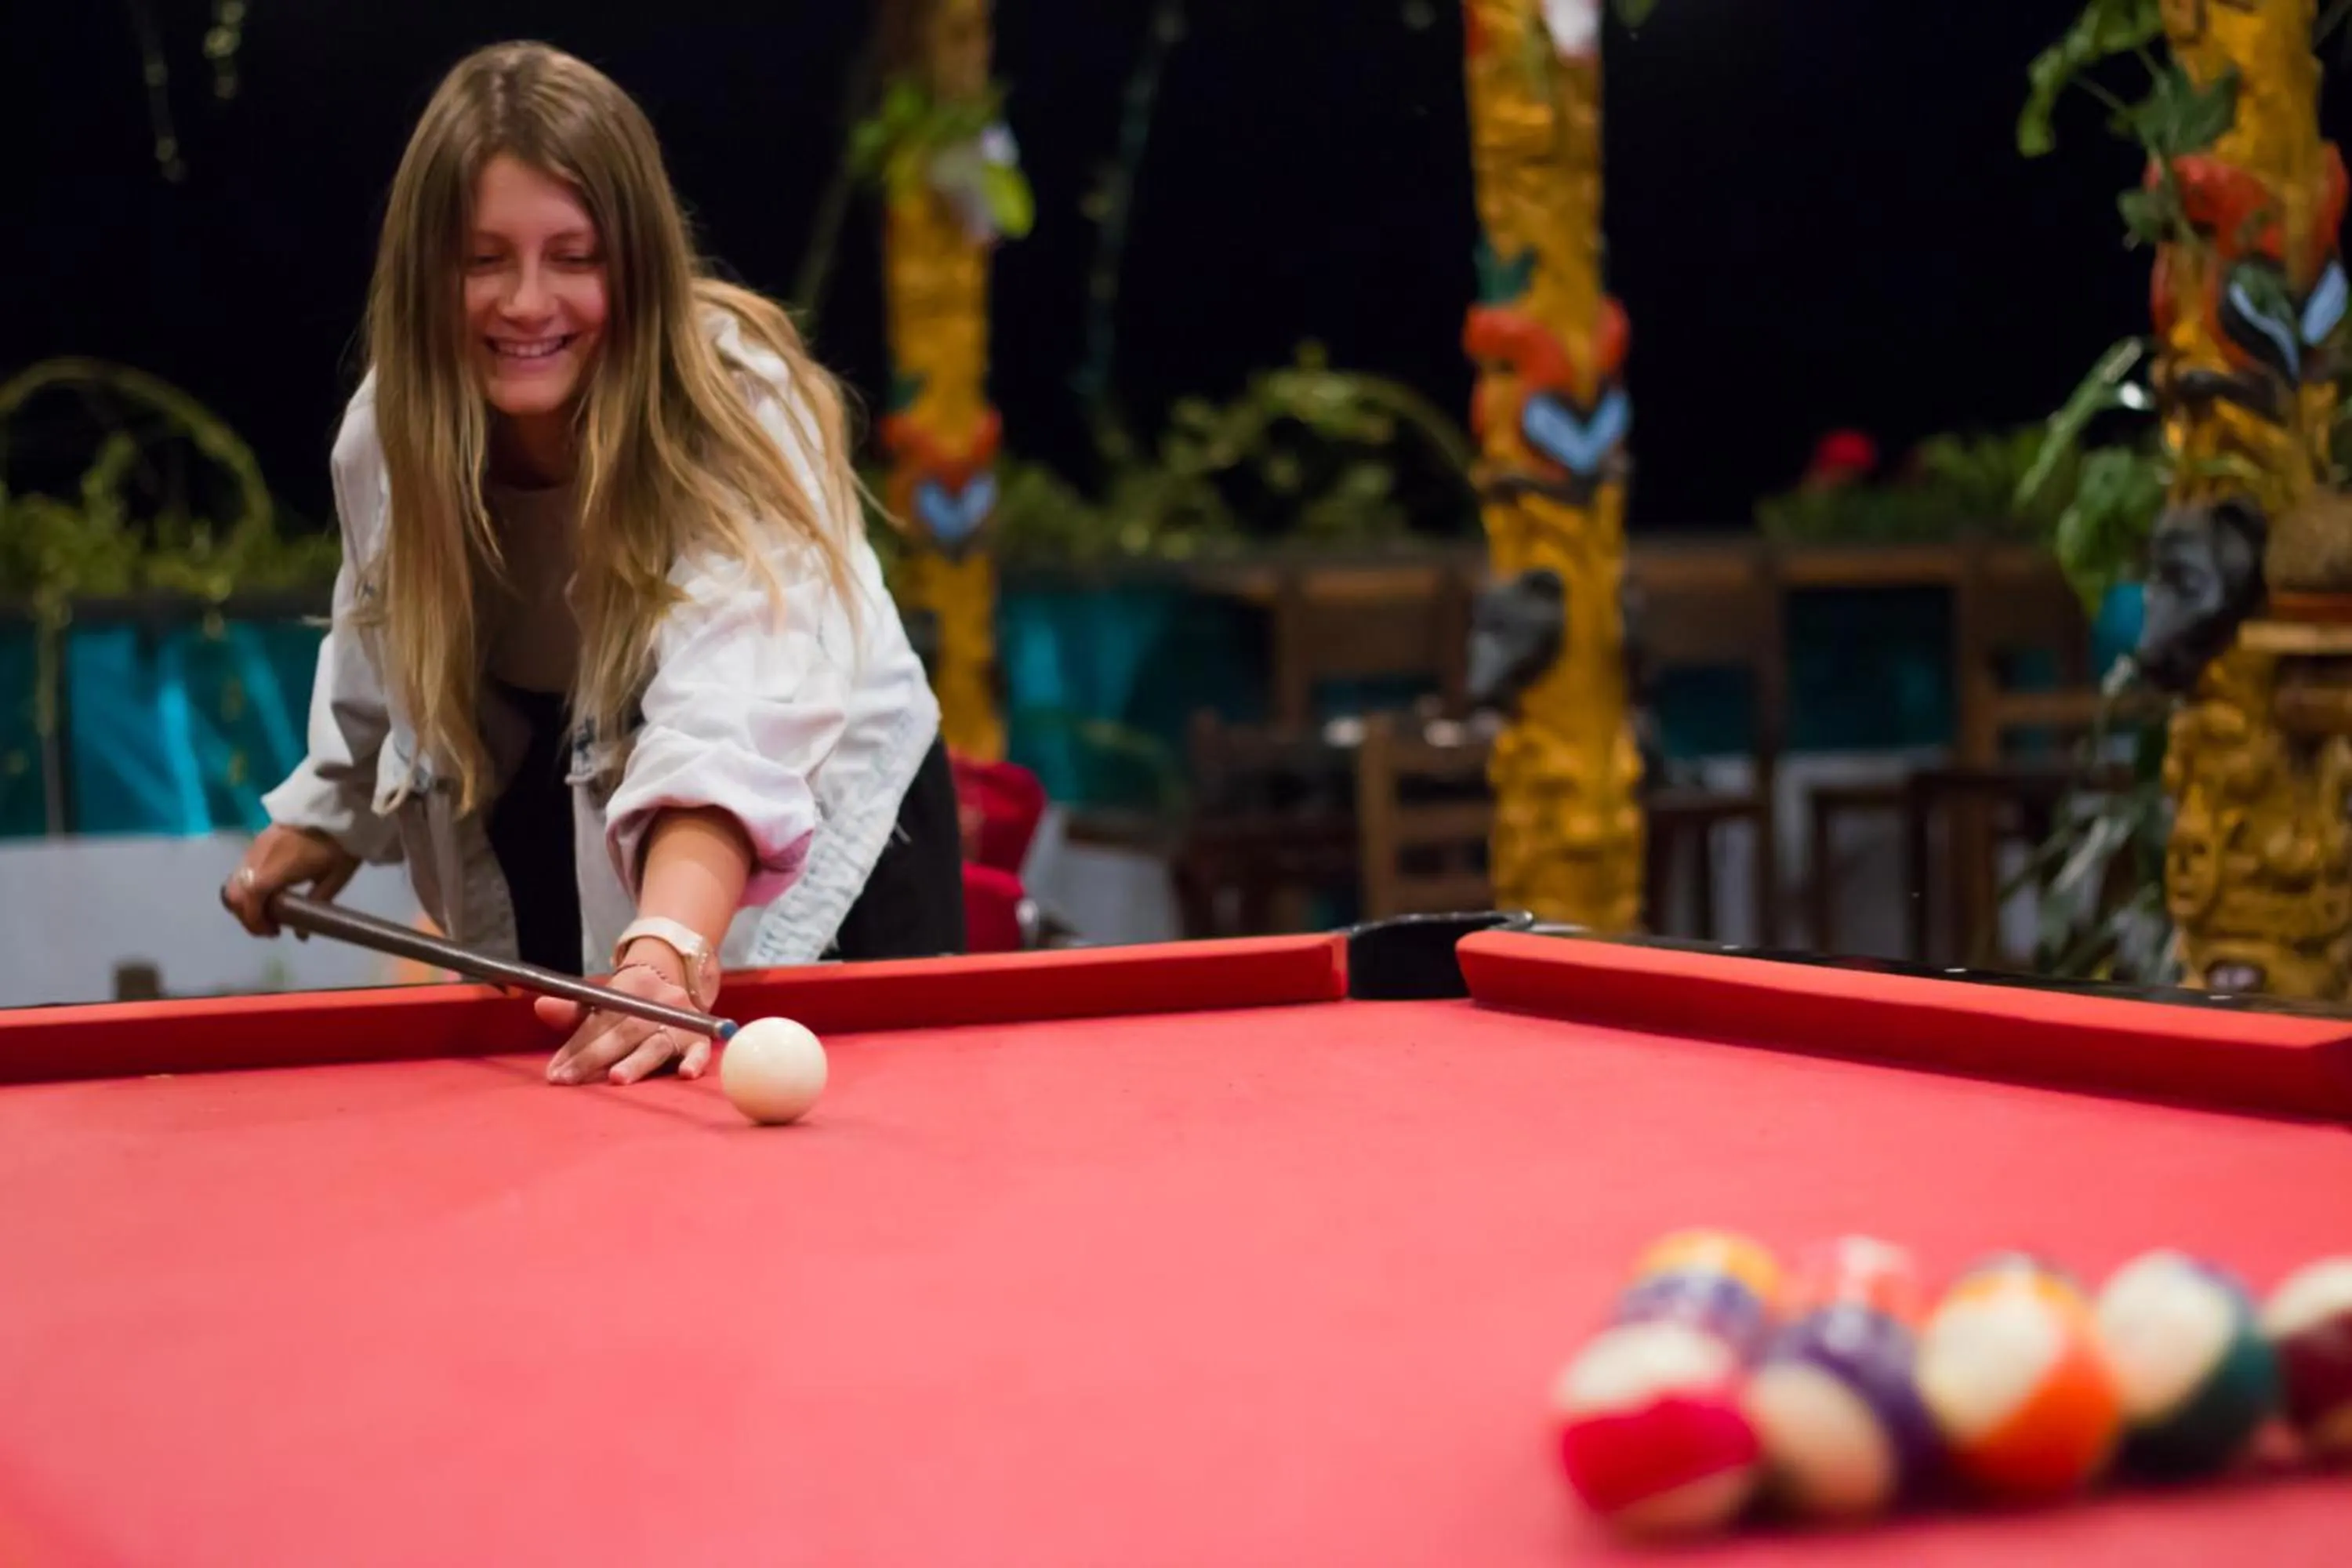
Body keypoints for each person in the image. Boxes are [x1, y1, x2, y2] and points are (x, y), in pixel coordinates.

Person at [223, 40, 964, 1087]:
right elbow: (382, 639)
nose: (527, 303)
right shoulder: (391, 429)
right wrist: (326, 819)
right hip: (547, 794)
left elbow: (731, 715)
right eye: (484, 259)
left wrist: (664, 948)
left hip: (808, 823)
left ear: (639, 262)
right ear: (426, 270)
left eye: (574, 256)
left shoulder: (737, 407)